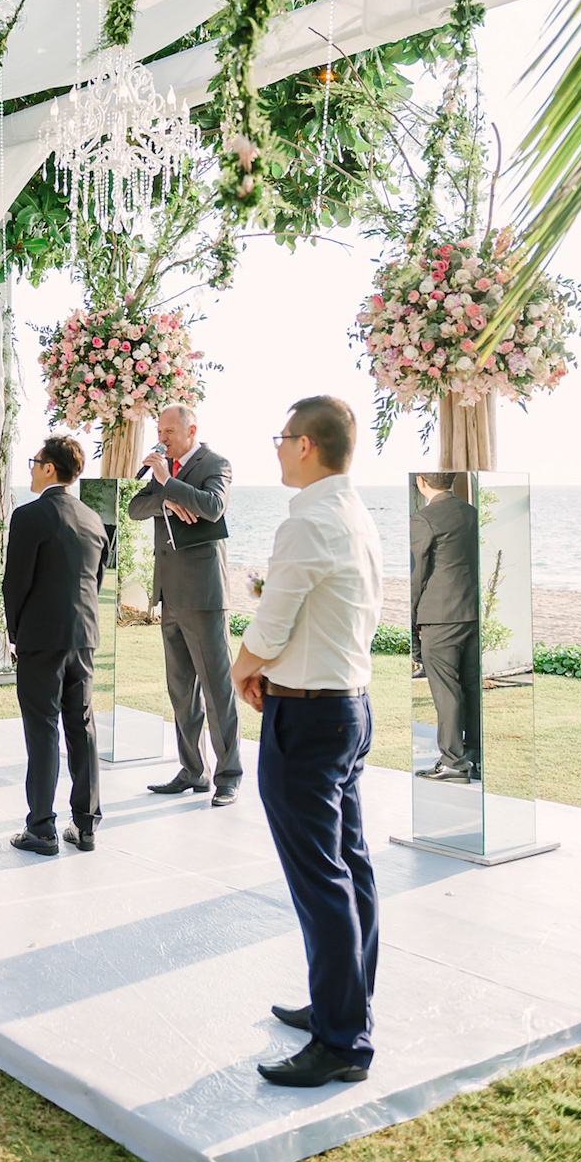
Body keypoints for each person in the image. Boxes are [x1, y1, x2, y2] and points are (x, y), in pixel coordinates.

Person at [230, 395, 383, 1088]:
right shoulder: (354, 513)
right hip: (348, 705)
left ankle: (342, 1041)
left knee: (321, 877)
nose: (276, 448)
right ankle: (343, 1003)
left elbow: (272, 621)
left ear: (304, 447)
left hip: (311, 719)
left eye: (280, 437)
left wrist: (243, 671)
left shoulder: (310, 521)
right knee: (348, 866)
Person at [127, 403, 243, 806]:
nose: (162, 438)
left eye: (169, 431)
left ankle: (229, 775)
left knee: (216, 688)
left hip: (204, 595)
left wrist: (169, 484)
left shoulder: (216, 463)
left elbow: (213, 507)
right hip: (170, 595)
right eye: (159, 430)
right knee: (181, 691)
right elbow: (133, 508)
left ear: (191, 430)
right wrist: (164, 500)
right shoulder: (164, 466)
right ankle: (194, 771)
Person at [4, 435, 109, 855]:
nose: (30, 468)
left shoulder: (30, 516)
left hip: (41, 639)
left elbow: (17, 583)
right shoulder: (93, 519)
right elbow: (95, 582)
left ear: (50, 468)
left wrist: (15, 635)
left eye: (35, 462)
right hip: (83, 637)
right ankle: (85, 827)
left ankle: (41, 829)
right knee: (81, 728)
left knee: (43, 729)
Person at [411, 472, 481, 781]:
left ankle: (453, 761)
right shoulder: (471, 513)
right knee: (470, 687)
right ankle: (475, 757)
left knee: (447, 690)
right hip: (472, 612)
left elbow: (417, 576)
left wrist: (413, 621)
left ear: (422, 481)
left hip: (440, 616)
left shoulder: (424, 519)